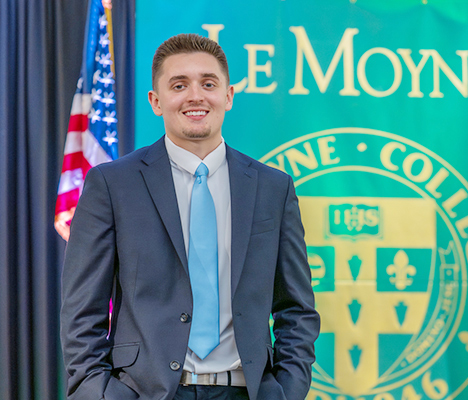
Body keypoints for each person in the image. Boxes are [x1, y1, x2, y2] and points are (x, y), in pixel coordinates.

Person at [60, 33, 320, 400]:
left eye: (208, 84)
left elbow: (297, 308)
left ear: (228, 96)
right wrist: (98, 391)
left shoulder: (273, 188)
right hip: (143, 392)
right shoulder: (112, 184)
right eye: (178, 85)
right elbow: (81, 309)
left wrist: (286, 390)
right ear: (156, 100)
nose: (195, 96)